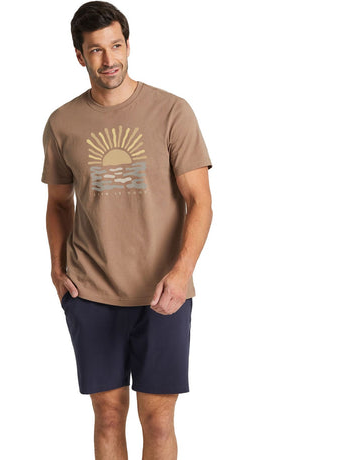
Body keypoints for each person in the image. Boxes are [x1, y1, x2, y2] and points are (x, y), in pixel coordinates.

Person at [41, 2, 213, 458]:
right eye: (96, 50)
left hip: (163, 290)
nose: (109, 59)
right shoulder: (62, 123)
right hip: (91, 290)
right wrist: (57, 269)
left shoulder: (172, 111)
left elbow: (200, 201)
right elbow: (58, 202)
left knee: (157, 420)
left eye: (116, 46)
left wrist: (181, 273)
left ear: (129, 46)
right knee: (108, 414)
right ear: (80, 55)